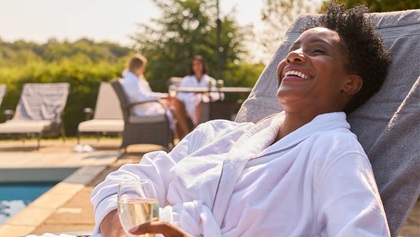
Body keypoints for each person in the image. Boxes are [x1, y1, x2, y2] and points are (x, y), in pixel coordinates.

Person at [91, 3, 391, 237]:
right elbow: (125, 181)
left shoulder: (335, 152)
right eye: (293, 49)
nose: (294, 57)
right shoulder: (218, 133)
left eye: (317, 51)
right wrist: (123, 230)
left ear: (349, 84)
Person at [121, 54, 191, 139]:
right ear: (137, 66)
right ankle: (187, 135)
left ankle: (184, 135)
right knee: (176, 104)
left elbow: (144, 95)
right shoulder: (131, 80)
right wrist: (162, 96)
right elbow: (142, 97)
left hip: (145, 105)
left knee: (176, 103)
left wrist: (162, 97)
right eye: (143, 67)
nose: (144, 69)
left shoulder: (135, 79)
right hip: (143, 109)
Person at [175, 55, 222, 127]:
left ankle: (197, 126)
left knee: (201, 99)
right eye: (194, 65)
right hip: (190, 106)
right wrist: (193, 95)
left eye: (198, 64)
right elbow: (180, 95)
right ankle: (197, 126)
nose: (197, 67)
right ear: (192, 67)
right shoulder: (187, 80)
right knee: (198, 99)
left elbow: (219, 95)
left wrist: (208, 95)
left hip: (207, 108)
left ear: (203, 65)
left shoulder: (210, 80)